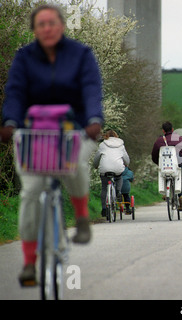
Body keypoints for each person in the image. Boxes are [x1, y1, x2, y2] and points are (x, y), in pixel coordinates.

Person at [1, 4, 103, 286]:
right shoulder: (24, 58)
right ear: (34, 30)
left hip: (76, 130)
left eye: (52, 22)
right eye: (41, 24)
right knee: (31, 193)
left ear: (62, 26)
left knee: (73, 165)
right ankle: (30, 262)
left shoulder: (81, 55)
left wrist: (94, 118)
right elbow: (15, 93)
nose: (47, 28)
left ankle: (82, 217)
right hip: (33, 132)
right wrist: (10, 121)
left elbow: (91, 89)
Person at [151, 121, 182, 211]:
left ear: (163, 131)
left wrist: (159, 163)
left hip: (164, 166)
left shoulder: (159, 141)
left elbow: (154, 155)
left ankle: (165, 192)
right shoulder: (179, 139)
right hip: (178, 164)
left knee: (163, 174)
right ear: (172, 129)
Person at [93, 130, 130, 217]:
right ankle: (118, 192)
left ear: (106, 136)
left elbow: (97, 157)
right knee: (119, 177)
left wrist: (95, 165)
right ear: (116, 136)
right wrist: (126, 164)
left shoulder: (102, 144)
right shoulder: (121, 145)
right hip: (117, 168)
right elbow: (126, 158)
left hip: (105, 169)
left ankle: (104, 209)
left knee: (104, 187)